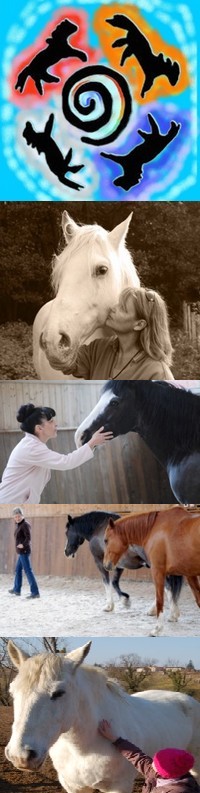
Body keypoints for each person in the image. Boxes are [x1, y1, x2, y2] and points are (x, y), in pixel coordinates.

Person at [0, 404, 113, 504]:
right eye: (51, 421)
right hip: (9, 503)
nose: (56, 424)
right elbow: (66, 462)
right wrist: (92, 442)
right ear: (39, 428)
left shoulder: (34, 445)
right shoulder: (31, 447)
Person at [63, 287, 174, 380]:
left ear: (139, 325)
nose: (113, 308)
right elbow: (64, 360)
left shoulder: (159, 375)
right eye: (118, 303)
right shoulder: (98, 348)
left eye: (123, 308)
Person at [98, 720, 199, 793]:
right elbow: (137, 757)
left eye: (156, 762)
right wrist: (116, 739)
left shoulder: (180, 791)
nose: (152, 762)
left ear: (164, 772)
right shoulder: (155, 771)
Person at [9, 507, 40, 599]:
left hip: (24, 551)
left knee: (28, 571)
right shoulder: (19, 525)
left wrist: (23, 544)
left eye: (19, 516)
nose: (17, 518)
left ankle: (35, 592)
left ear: (22, 516)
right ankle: (16, 589)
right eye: (15, 517)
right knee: (18, 570)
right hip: (21, 552)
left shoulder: (25, 525)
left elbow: (28, 538)